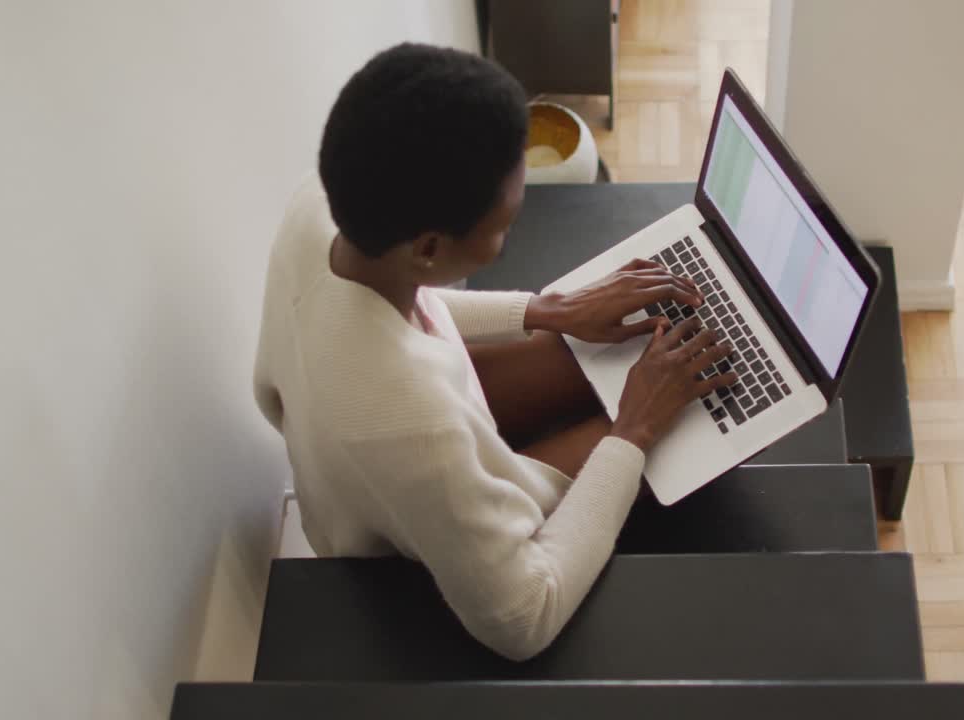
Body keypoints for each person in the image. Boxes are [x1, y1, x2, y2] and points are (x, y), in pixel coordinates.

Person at [252, 43, 737, 661]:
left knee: (614, 349)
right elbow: (523, 619)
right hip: (402, 525)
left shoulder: (317, 209)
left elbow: (393, 309)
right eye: (505, 223)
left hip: (377, 443)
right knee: (681, 414)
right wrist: (633, 432)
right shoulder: (413, 424)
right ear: (428, 249)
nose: (514, 225)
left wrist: (544, 310)